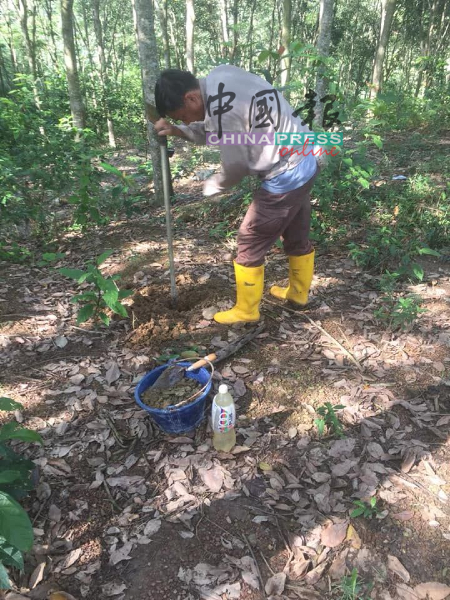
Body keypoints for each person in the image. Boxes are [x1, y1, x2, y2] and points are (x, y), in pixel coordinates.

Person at [154, 64, 319, 325]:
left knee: (250, 237)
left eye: (183, 116)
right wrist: (178, 131)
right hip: (305, 159)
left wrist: (212, 186)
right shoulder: (222, 75)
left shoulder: (223, 108)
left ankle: (247, 311)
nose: (188, 121)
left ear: (191, 98)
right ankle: (298, 295)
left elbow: (235, 166)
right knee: (296, 231)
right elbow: (219, 133)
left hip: (285, 172)